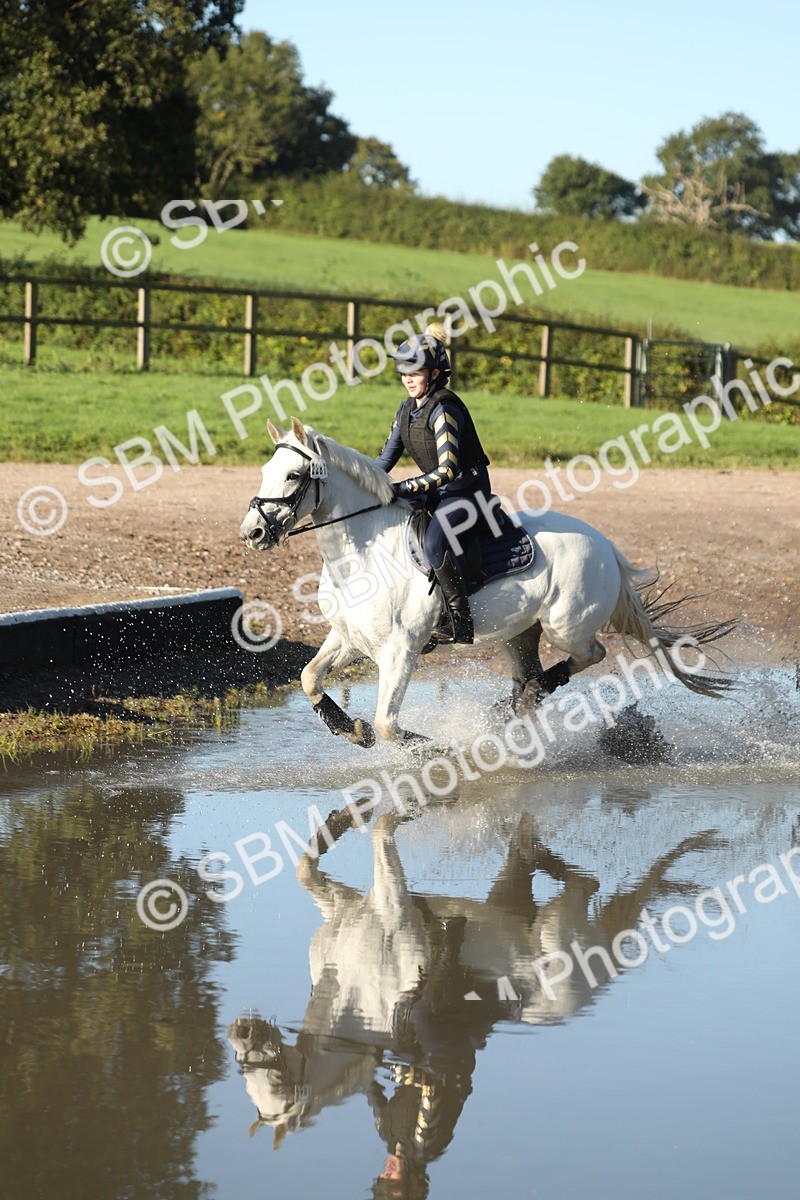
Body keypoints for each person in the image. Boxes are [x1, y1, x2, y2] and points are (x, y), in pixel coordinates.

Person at [375, 323, 492, 645]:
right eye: (403, 373)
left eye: (415, 372)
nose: (408, 379)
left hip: (466, 492)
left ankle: (458, 620)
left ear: (437, 373)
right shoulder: (406, 409)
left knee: (434, 543)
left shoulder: (444, 408)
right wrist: (360, 478)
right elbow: (384, 460)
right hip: (436, 491)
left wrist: (403, 488)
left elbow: (448, 470)